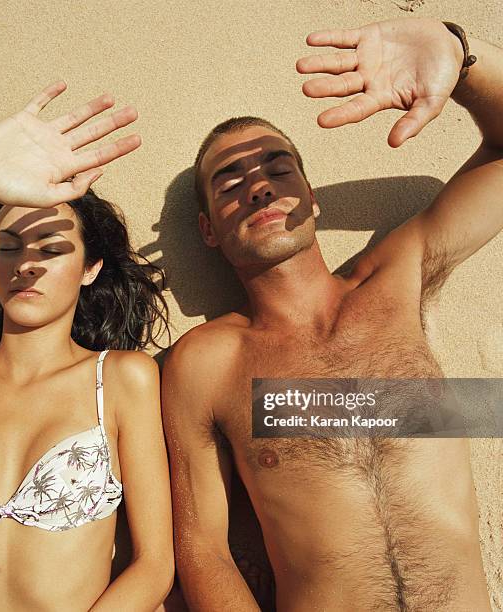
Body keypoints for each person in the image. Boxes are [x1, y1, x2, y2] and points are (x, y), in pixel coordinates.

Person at [162, 17, 501, 611]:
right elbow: (201, 547)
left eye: (276, 168)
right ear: (208, 230)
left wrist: (460, 53)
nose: (259, 188)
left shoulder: (396, 279)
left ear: (312, 196)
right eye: (230, 182)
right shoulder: (207, 361)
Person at [0, 82, 174, 610]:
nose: (25, 263)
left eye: (50, 248)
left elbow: (155, 565)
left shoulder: (120, 378)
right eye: (8, 247)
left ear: (90, 268)